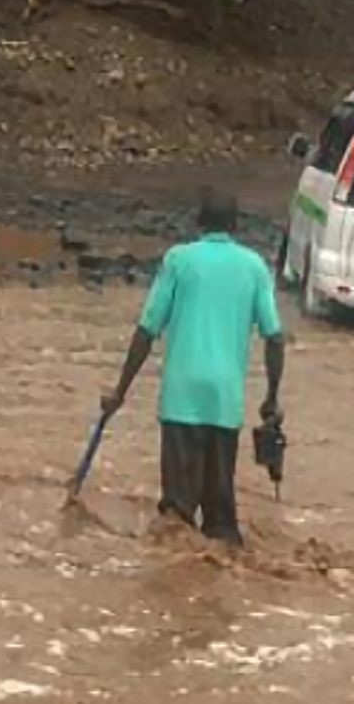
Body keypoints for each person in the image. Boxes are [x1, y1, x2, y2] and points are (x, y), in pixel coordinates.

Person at [100, 186, 285, 548]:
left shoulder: (178, 261)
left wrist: (120, 391)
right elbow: (274, 337)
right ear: (235, 225)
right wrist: (271, 398)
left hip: (180, 401)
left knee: (175, 519)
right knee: (220, 524)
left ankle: (173, 594)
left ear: (199, 223)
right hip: (224, 404)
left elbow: (146, 330)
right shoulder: (254, 267)